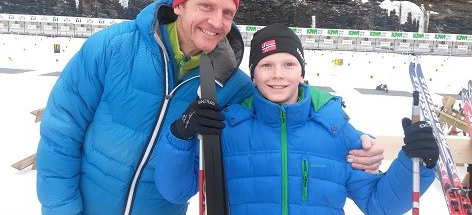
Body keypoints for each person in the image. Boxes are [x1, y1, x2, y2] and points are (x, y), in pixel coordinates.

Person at [35, 0, 384, 215]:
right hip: (84, 204)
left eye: (228, 12)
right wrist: (61, 208)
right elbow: (61, 130)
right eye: (206, 5)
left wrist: (350, 134)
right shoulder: (113, 47)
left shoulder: (232, 83)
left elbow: (286, 108)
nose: (217, 22)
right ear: (179, 4)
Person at [155, 23, 439, 214]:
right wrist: (180, 136)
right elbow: (176, 191)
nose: (278, 74)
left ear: (302, 72)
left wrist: (417, 162)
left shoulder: (336, 130)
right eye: (266, 65)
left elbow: (381, 204)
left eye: (289, 64)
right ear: (253, 75)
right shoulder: (228, 128)